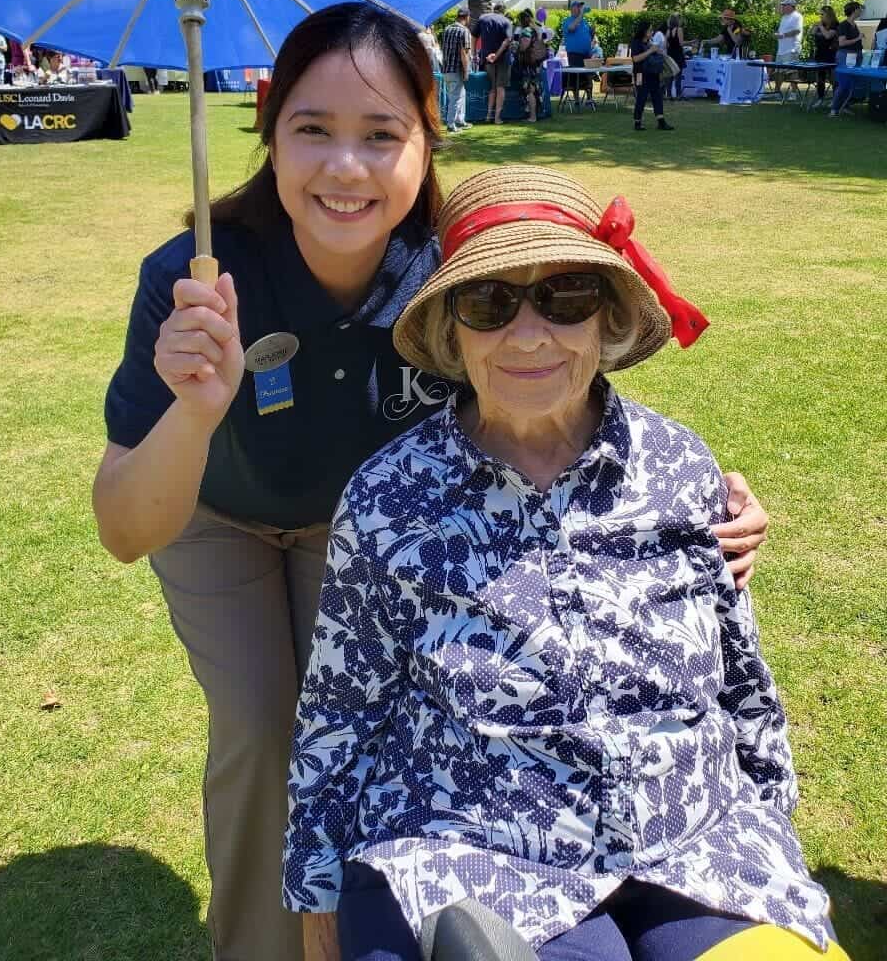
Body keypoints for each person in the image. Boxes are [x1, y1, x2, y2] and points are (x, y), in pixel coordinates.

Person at [94, 4, 767, 961]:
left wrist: (700, 504)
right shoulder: (197, 276)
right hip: (223, 515)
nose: (347, 168)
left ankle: (388, 908)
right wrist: (197, 408)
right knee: (260, 731)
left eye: (382, 134)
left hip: (375, 531)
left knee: (383, 723)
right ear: (269, 131)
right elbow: (125, 526)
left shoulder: (455, 274)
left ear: (426, 142)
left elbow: (561, 391)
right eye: (312, 129)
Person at [284, 165, 845, 961]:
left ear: (607, 319)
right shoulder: (388, 498)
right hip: (476, 852)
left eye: (567, 296)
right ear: (451, 330)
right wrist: (317, 900)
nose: (529, 334)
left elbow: (742, 678)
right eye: (488, 303)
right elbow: (341, 713)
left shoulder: (679, 466)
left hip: (695, 840)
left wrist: (769, 832)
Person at [472, 1, 513, 124]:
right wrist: (497, 55)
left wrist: (474, 54)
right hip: (503, 59)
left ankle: (489, 115)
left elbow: (473, 36)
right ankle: (497, 118)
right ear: (504, 11)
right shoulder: (506, 21)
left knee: (492, 87)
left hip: (487, 59)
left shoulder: (483, 18)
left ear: (494, 8)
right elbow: (507, 40)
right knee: (500, 87)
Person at [630, 20, 673, 131]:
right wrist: (650, 51)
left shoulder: (650, 42)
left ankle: (661, 121)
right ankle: (637, 122)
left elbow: (656, 53)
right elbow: (635, 59)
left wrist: (659, 52)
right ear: (644, 31)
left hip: (653, 73)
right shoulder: (636, 42)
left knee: (657, 97)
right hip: (640, 74)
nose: (652, 32)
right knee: (641, 98)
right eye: (650, 30)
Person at [828, 0, 865, 118]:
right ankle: (834, 110)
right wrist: (858, 38)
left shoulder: (854, 24)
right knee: (843, 84)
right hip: (845, 56)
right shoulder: (844, 25)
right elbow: (842, 43)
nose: (861, 11)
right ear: (854, 10)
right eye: (859, 8)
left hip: (854, 55)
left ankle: (844, 106)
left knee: (851, 84)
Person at [440, 7, 472, 133]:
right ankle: (451, 124)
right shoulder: (464, 31)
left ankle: (460, 120)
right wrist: (466, 71)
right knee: (455, 98)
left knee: (460, 94)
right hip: (457, 70)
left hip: (447, 69)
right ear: (466, 17)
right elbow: (464, 53)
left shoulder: (447, 29)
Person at [561, 0, 594, 108]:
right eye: (578, 7)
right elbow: (571, 28)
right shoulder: (567, 21)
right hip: (574, 54)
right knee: (576, 76)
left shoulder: (584, 22)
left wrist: (592, 32)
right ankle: (576, 101)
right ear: (572, 9)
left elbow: (588, 36)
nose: (580, 9)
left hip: (586, 54)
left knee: (588, 76)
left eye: (580, 7)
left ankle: (589, 99)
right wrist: (580, 16)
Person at [514, 7, 544, 124]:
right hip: (535, 63)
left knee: (529, 90)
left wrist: (517, 47)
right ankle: (535, 114)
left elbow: (523, 46)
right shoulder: (536, 29)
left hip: (528, 65)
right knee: (534, 90)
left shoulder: (526, 31)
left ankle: (532, 116)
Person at [811, 7, 839, 102]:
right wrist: (815, 27)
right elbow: (812, 33)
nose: (820, 16)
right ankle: (820, 98)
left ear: (828, 15)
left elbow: (828, 36)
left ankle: (835, 99)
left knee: (833, 79)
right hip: (820, 54)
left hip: (831, 55)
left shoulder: (835, 25)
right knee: (820, 79)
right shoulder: (821, 24)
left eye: (822, 14)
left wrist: (821, 27)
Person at [665, 14, 686, 99]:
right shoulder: (679, 29)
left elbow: (666, 44)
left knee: (670, 75)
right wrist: (691, 42)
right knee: (678, 75)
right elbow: (681, 43)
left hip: (670, 54)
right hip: (678, 54)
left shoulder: (668, 30)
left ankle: (669, 95)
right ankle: (678, 95)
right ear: (678, 21)